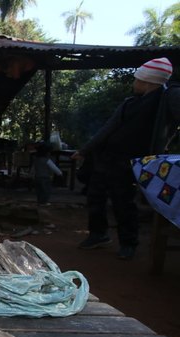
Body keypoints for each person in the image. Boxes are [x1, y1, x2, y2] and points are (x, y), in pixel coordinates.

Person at [71, 57, 180, 260]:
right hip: (106, 157)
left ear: (148, 82)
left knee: (123, 202)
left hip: (133, 161)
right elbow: (107, 129)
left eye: (137, 79)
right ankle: (98, 234)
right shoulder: (130, 103)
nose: (134, 83)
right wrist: (85, 150)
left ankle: (128, 243)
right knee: (95, 197)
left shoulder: (168, 98)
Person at [32, 141, 62, 205]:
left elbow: (33, 169)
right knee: (46, 191)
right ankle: (44, 202)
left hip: (37, 178)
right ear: (47, 153)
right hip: (45, 178)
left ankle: (39, 201)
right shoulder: (47, 160)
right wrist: (60, 173)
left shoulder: (36, 160)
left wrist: (31, 176)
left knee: (39, 191)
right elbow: (54, 168)